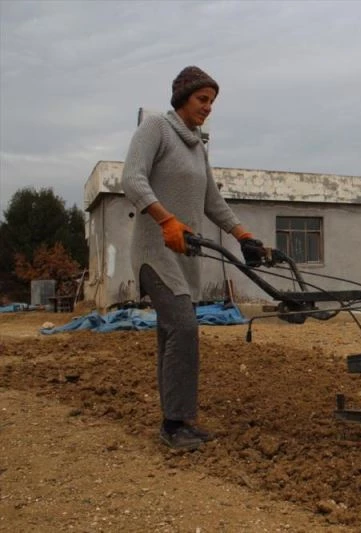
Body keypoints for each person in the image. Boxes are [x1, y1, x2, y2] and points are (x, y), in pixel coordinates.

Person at [122, 66, 264, 450]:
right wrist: (166, 220)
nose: (208, 108)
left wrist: (243, 235)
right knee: (183, 327)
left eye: (212, 102)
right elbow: (131, 179)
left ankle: (180, 419)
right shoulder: (156, 129)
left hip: (185, 254)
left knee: (175, 333)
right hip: (155, 252)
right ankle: (172, 425)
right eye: (203, 99)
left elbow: (211, 201)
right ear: (183, 97)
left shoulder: (197, 146)